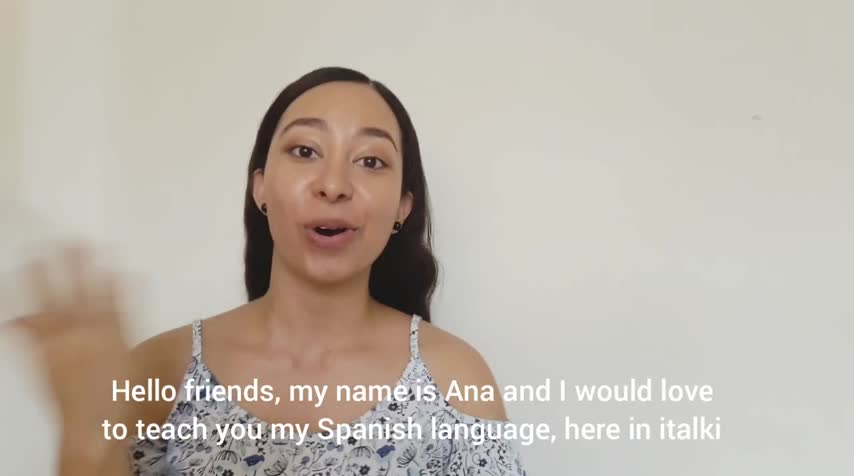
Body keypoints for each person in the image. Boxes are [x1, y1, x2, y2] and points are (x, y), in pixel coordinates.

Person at [10, 66, 528, 475]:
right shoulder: (155, 373)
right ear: (260, 186)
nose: (333, 185)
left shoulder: (456, 381)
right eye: (305, 151)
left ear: (402, 207)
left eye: (371, 161)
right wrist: (86, 435)